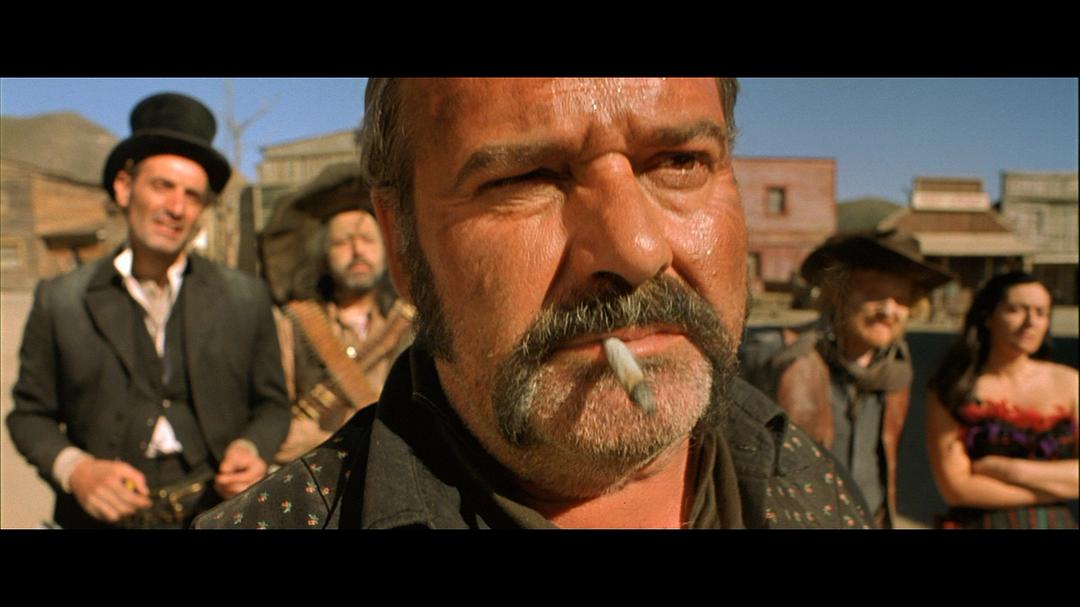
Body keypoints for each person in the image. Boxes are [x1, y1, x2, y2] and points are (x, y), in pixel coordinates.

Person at [194, 78, 871, 529]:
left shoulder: (804, 478)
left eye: (679, 161)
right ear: (403, 244)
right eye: (528, 176)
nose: (636, 248)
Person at [6, 92, 290, 529]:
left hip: (219, 514)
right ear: (124, 188)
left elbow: (273, 406)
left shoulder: (245, 296)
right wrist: (77, 470)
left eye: (192, 196)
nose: (176, 208)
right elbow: (28, 416)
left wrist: (253, 448)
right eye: (162, 186)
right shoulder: (60, 299)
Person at [743, 229, 952, 527]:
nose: (888, 310)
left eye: (901, 299)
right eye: (874, 294)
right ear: (837, 294)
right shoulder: (777, 354)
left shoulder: (896, 371)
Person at [257, 163, 414, 464]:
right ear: (323, 256)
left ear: (387, 248)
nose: (357, 251)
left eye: (368, 239)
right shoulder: (293, 325)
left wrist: (322, 440)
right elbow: (278, 428)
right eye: (342, 242)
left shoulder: (412, 323)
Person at [926, 272, 1078, 528]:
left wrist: (1009, 470)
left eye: (1041, 313)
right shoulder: (953, 387)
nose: (1030, 323)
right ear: (987, 316)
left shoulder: (1070, 383)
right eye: (1015, 310)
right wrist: (1055, 488)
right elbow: (956, 488)